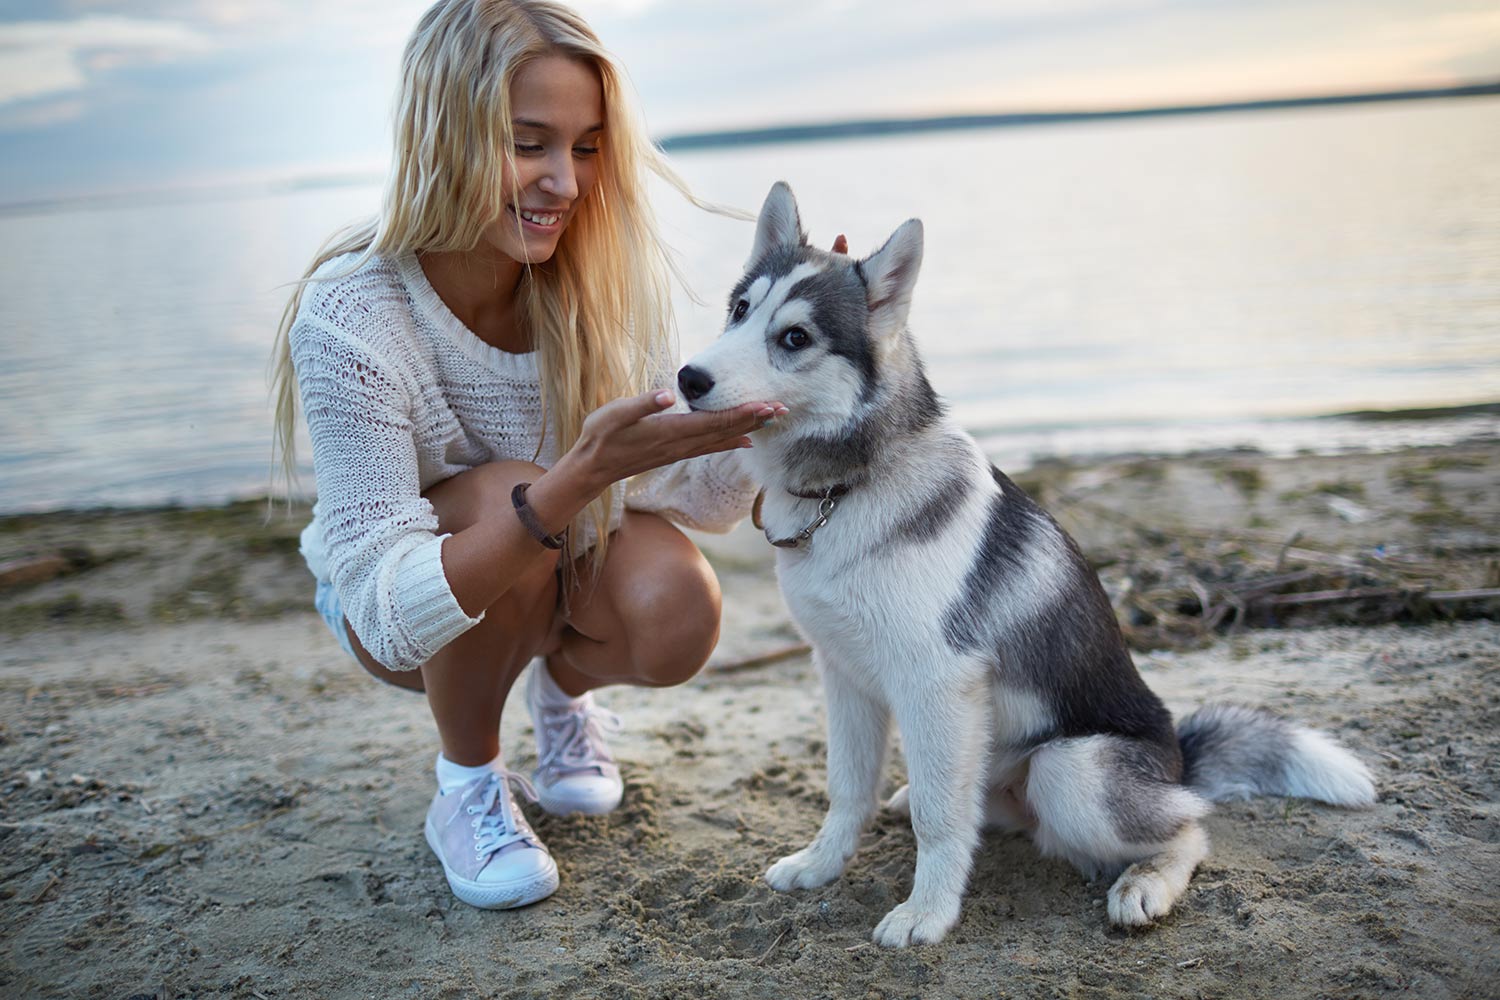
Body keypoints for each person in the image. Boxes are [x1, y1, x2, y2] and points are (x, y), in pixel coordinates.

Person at [268, 0, 832, 910]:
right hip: (401, 600)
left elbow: (680, 485)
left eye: (587, 147)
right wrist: (578, 478)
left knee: (679, 607)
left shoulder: (603, 280)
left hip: (550, 556)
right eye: (529, 143)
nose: (565, 184)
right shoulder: (354, 314)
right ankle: (467, 783)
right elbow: (383, 616)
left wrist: (787, 386)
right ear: (443, 133)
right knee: (512, 492)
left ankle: (560, 696)